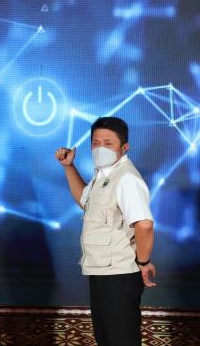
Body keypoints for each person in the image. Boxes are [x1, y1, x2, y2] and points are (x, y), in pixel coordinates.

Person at [55, 116, 156, 346]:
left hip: (119, 275)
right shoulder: (103, 174)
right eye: (96, 143)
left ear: (124, 147)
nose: (100, 148)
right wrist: (69, 167)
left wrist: (143, 262)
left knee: (121, 339)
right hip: (102, 271)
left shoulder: (126, 179)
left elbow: (144, 224)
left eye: (108, 143)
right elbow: (85, 201)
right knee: (106, 337)